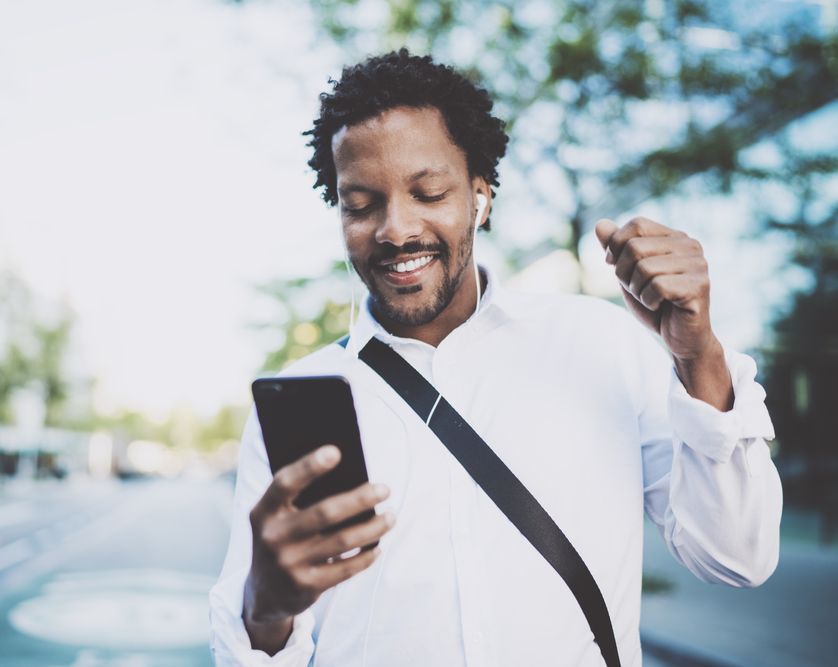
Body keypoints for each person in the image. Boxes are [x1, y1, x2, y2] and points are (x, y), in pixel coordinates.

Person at [209, 49, 782, 667]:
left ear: (480, 198)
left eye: (428, 192)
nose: (395, 229)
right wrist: (266, 612)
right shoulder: (303, 398)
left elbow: (737, 559)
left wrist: (700, 355)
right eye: (361, 204)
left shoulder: (602, 346)